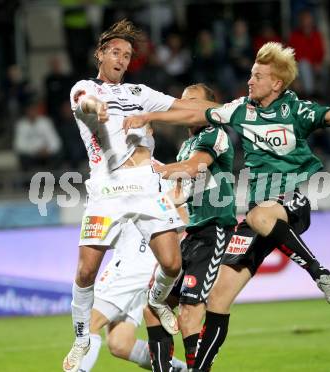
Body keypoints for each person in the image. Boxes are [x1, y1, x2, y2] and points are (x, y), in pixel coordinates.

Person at [124, 41, 330, 371]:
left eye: (258, 76)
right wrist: (150, 115)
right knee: (218, 297)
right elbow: (196, 112)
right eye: (251, 74)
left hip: (290, 199)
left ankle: (320, 273)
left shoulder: (296, 110)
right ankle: (198, 369)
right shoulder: (240, 110)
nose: (250, 81)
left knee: (258, 213)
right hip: (256, 215)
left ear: (276, 83)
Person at [63, 19, 215, 372]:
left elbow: (184, 109)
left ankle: (158, 301)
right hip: (107, 188)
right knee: (86, 271)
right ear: (100, 54)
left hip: (145, 185)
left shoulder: (139, 93)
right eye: (115, 52)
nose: (121, 59)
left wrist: (230, 111)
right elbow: (84, 102)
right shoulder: (86, 88)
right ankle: (82, 337)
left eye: (127, 55)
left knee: (172, 264)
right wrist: (96, 108)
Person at [141, 83, 237, 372]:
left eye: (193, 102)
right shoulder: (185, 146)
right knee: (153, 308)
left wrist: (160, 169)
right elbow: (180, 194)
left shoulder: (215, 134)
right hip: (192, 234)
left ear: (210, 107)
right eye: (183, 103)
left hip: (214, 231)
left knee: (189, 311)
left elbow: (197, 167)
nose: (186, 108)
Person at [78, 219, 187, 372]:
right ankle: (182, 369)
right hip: (144, 267)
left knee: (87, 324)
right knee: (120, 343)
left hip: (129, 266)